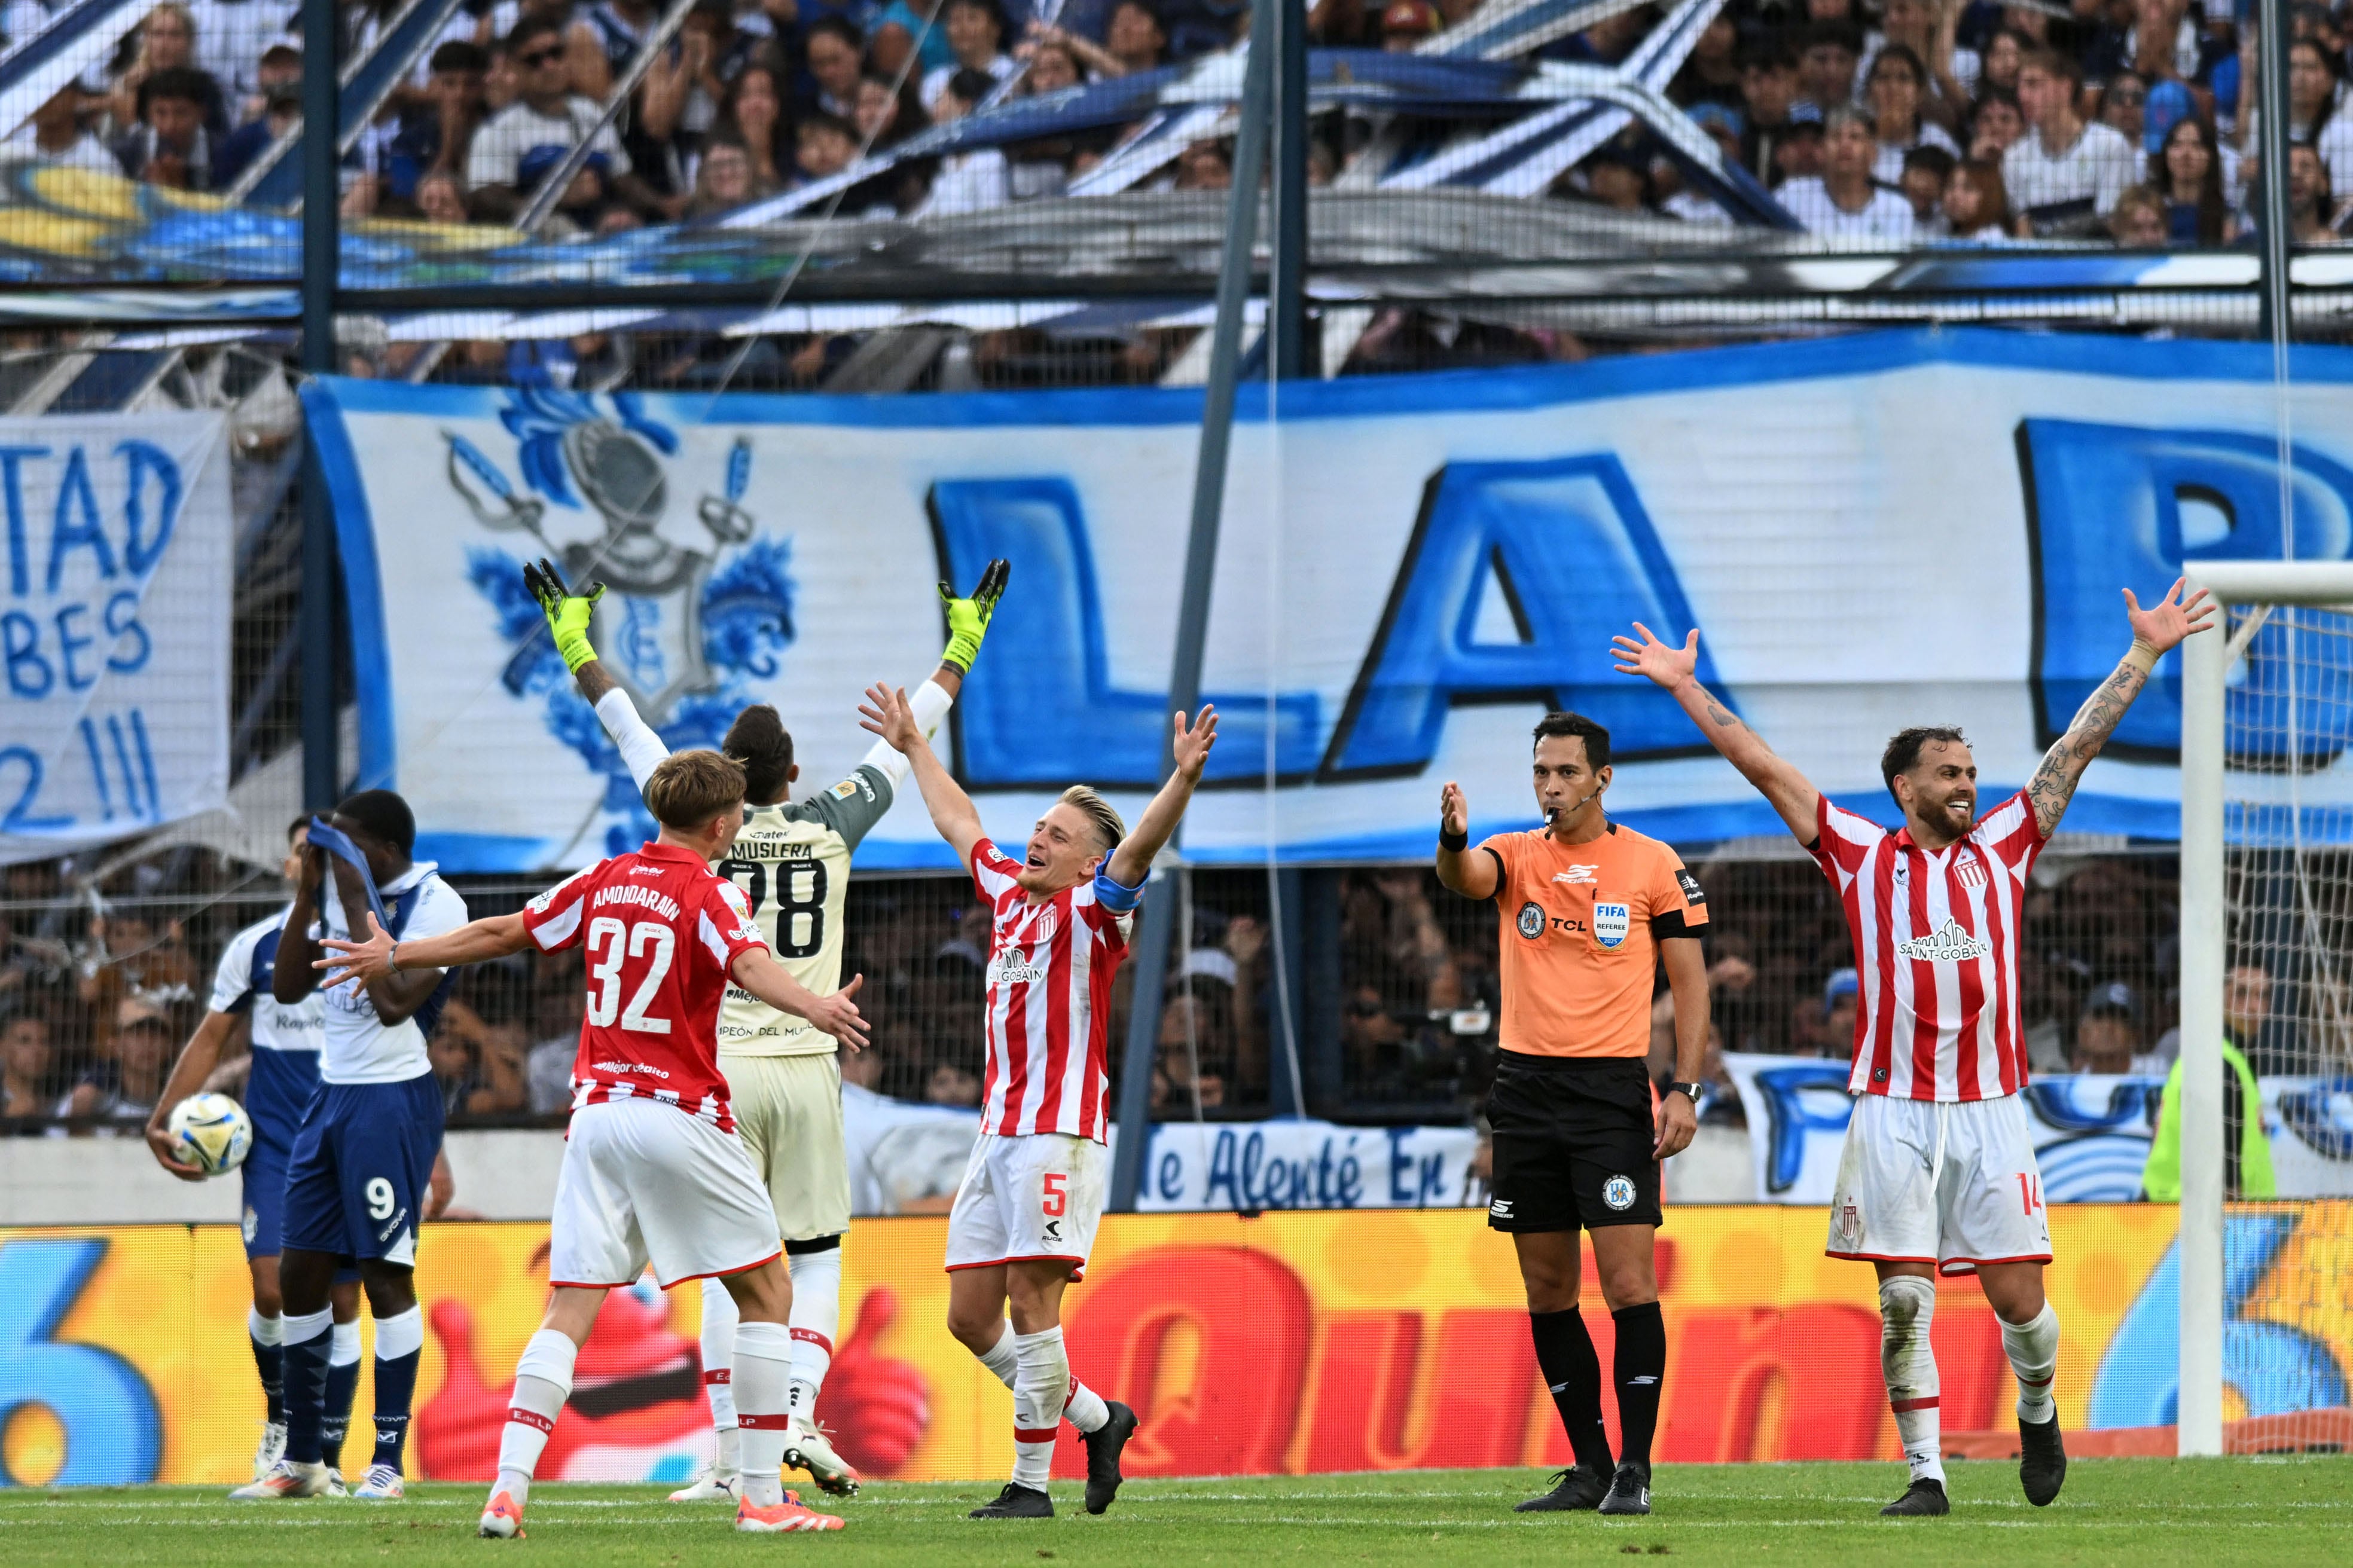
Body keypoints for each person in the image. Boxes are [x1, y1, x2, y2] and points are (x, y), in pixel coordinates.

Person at [1612, 575, 2215, 1515]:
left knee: (2019, 1299)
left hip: (1989, 1106)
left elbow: (2075, 749)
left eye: (1970, 771)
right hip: (1891, 1105)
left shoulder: (2008, 842)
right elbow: (1761, 764)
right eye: (1948, 772)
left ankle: (2038, 1407)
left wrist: (2142, 652)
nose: (1966, 784)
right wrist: (1682, 686)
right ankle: (1925, 1471)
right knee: (1903, 1299)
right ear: (1905, 787)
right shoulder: (1857, 851)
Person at [522, 555, 1009, 1504]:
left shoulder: (700, 826)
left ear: (722, 781)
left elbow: (626, 723)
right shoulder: (831, 820)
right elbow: (912, 732)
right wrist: (960, 646)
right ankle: (791, 1410)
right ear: (789, 774)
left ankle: (725, 1457)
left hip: (711, 1074)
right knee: (814, 1255)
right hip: (803, 1065)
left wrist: (576, 643)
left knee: (723, 1267)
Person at [314, 750, 871, 1538]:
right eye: (738, 812)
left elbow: (503, 929)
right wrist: (812, 1005)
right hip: (677, 1111)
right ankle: (760, 1496)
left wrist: (398, 952)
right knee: (768, 1292)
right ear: (720, 824)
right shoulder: (709, 890)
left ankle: (506, 1490)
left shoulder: (605, 877)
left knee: (570, 1304)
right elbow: (748, 963)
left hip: (598, 1115)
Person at [855, 683, 1222, 1520]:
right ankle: (1098, 1417)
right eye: (1039, 825)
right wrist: (915, 746)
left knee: (1030, 1302)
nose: (1038, 837)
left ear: (1086, 860)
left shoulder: (1096, 912)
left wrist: (1182, 784)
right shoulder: (1005, 894)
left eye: (1057, 834)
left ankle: (1028, 1485)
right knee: (968, 1314)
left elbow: (1137, 855)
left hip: (1060, 1132)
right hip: (996, 1134)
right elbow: (959, 821)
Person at [1433, 713, 1710, 1518]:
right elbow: (1466, 877)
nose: (1550, 784)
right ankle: (1586, 1465)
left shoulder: (1651, 863)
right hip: (1522, 1094)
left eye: (1563, 771)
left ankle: (1634, 1466)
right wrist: (1451, 839)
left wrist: (1683, 1086)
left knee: (1626, 1281)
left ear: (1600, 778)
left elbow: (1689, 985)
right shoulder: (1516, 854)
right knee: (1547, 1287)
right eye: (1540, 771)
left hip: (1607, 1098)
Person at [233, 789, 469, 1503]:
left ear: (385, 850)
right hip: (327, 1097)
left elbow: (397, 1002)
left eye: (345, 844)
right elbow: (288, 983)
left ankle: (388, 1462)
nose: (331, 858)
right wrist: (309, 894)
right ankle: (304, 1461)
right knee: (302, 1276)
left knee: (383, 1275)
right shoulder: (336, 892)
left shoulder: (436, 904)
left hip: (390, 1100)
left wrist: (344, 887)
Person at [145, 817, 368, 1490]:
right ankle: (282, 1422)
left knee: (344, 1299)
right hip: (274, 1141)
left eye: (326, 853)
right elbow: (212, 1037)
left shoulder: (369, 942)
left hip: (350, 1134)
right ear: (287, 862)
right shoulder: (256, 947)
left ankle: (325, 1456)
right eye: (305, 850)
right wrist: (161, 1121)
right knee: (272, 1287)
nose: (314, 862)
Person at [2004, 48, 2137, 235]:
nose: (2022, 96)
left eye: (2033, 84)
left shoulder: (2110, 146)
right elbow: (2024, 235)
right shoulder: (2015, 157)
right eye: (2020, 86)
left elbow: (2111, 227)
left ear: (2065, 89)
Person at [2141, 1032, 2275, 1202]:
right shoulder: (2218, 1062)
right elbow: (2222, 1177)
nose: (2254, 1007)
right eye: (2241, 1003)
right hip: (2185, 1212)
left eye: (2264, 1003)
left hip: (2169, 1205)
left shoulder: (2201, 1058)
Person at [1777, 105, 1917, 241]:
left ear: (1872, 152)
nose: (1845, 145)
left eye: (1855, 137)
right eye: (1836, 137)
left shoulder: (1897, 209)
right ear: (1822, 151)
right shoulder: (1791, 195)